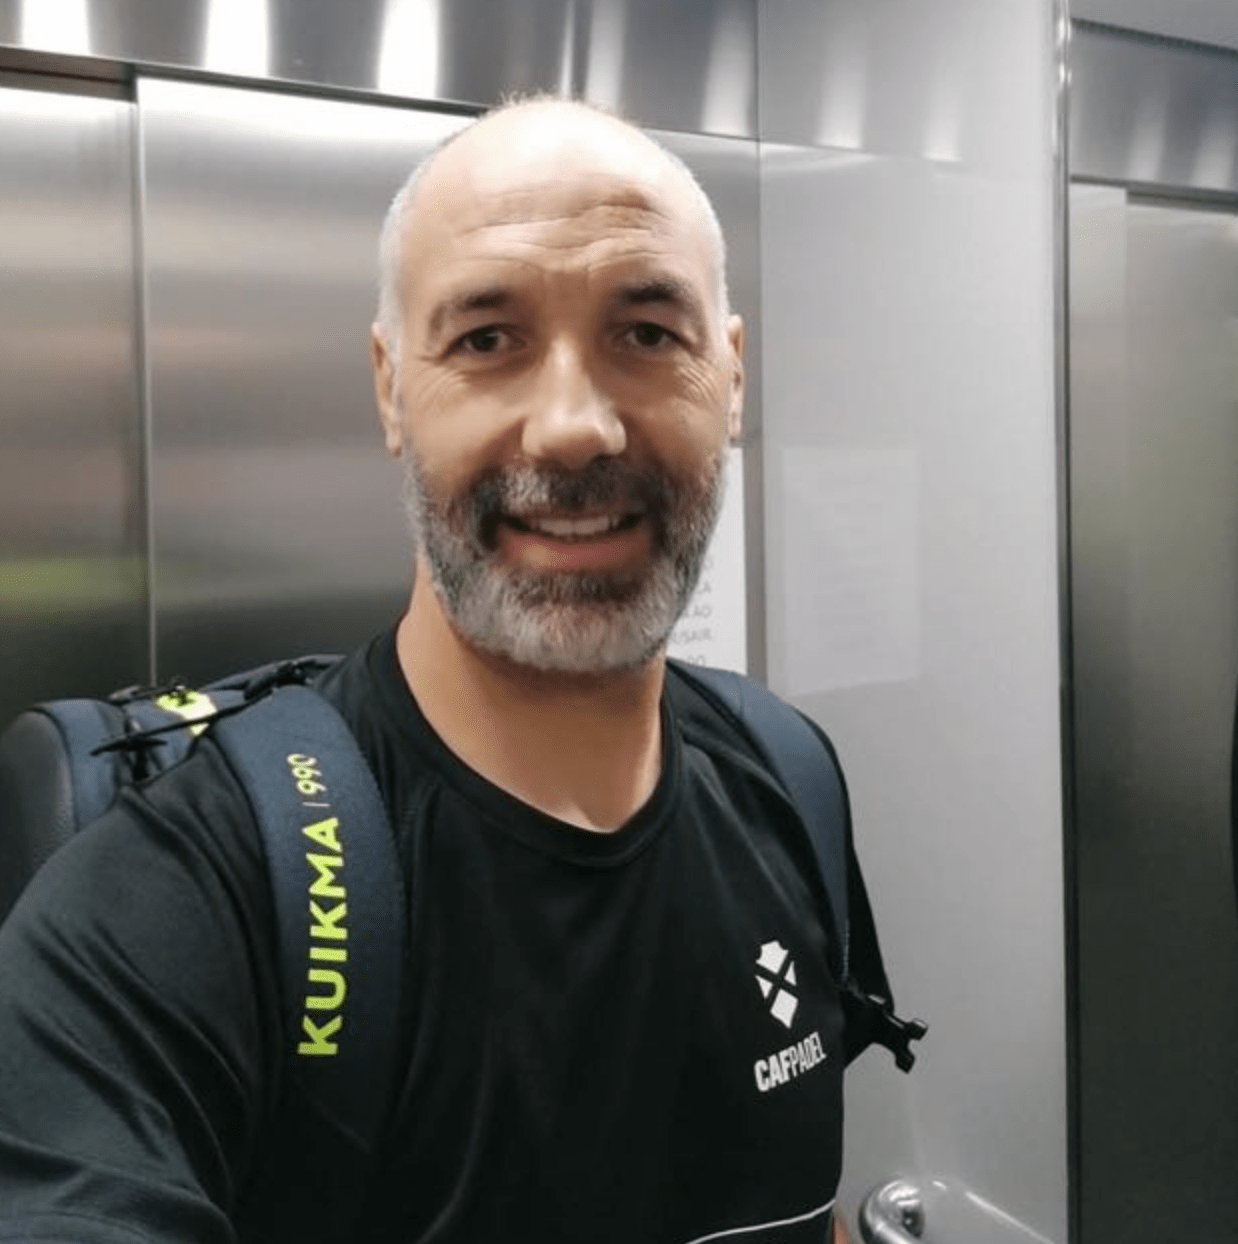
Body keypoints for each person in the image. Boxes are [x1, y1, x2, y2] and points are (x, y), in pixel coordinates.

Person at [0, 97, 866, 1242]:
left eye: (648, 333)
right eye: (487, 339)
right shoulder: (172, 904)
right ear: (389, 388)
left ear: (733, 377)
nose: (572, 427)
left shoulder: (785, 779)